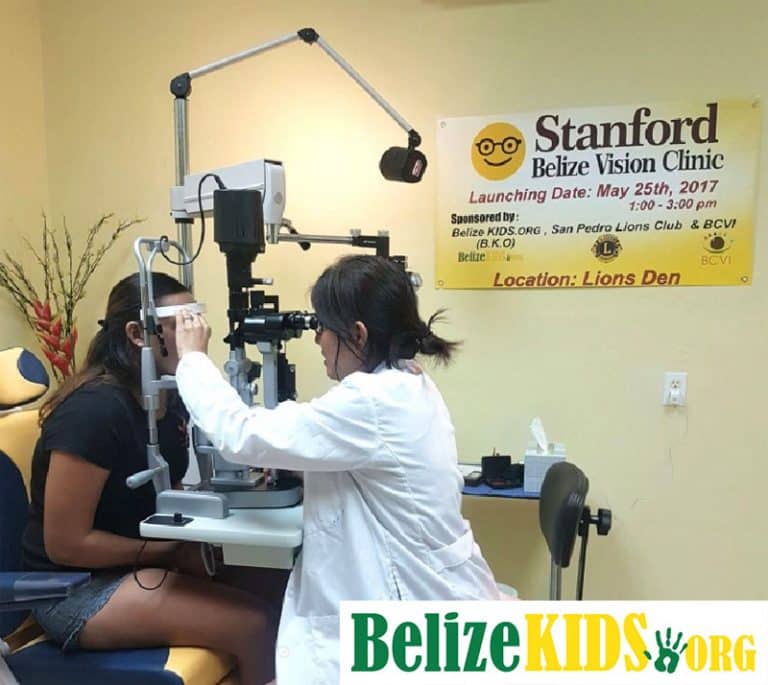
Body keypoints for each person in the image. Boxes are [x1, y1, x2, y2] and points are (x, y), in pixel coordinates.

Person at [174, 254, 504, 685]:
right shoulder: (408, 382)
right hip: (432, 594)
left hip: (413, 615)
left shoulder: (371, 402)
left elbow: (244, 437)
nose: (318, 341)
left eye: (323, 328)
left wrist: (192, 360)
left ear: (359, 334)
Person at [21, 272, 276, 685]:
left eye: (197, 318)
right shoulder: (94, 413)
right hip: (74, 590)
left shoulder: (166, 398)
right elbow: (65, 543)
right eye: (181, 322)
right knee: (256, 625)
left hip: (138, 562)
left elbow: (165, 495)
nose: (197, 333)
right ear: (138, 333)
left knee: (283, 585)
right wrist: (168, 551)